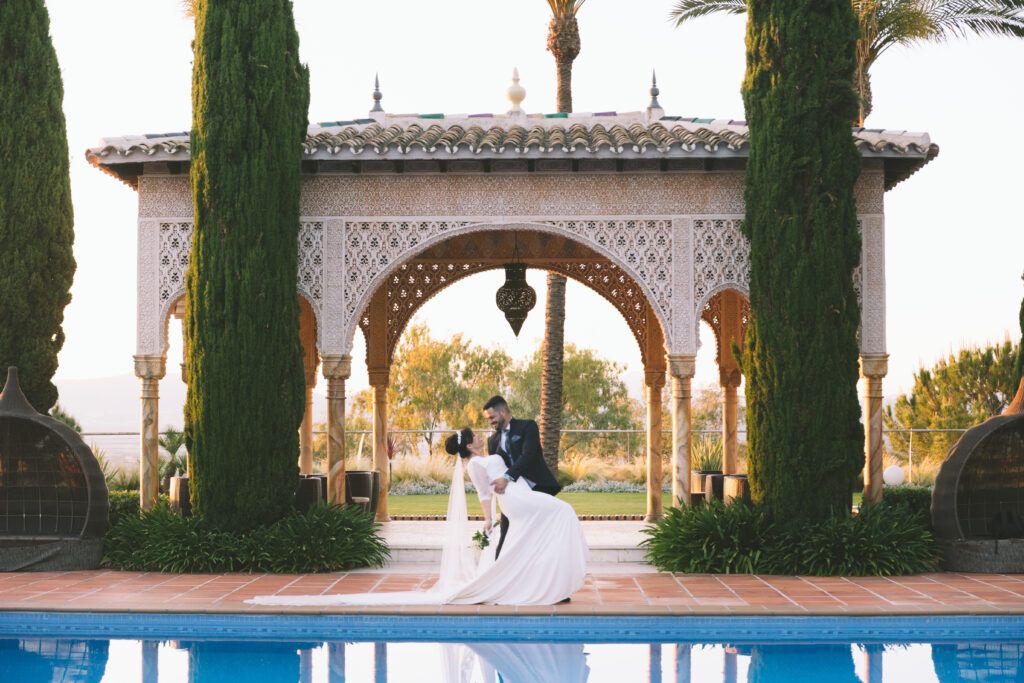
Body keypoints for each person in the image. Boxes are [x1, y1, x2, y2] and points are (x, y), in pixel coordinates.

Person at [246, 427, 588, 606]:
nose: (481, 436)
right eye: (476, 435)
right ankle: (543, 582)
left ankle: (545, 581)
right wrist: (488, 519)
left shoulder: (488, 455)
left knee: (547, 524)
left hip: (521, 497)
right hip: (515, 501)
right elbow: (485, 495)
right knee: (562, 511)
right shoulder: (476, 465)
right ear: (469, 445)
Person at [482, 395, 561, 559]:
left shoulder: (527, 426)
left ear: (503, 412)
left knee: (541, 533)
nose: (490, 421)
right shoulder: (492, 441)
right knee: (505, 532)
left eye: (492, 417)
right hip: (512, 495)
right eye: (488, 419)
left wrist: (507, 477)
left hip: (537, 488)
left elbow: (529, 454)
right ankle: (498, 570)